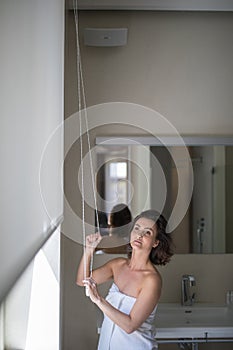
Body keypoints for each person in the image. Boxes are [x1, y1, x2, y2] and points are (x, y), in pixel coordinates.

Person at [76, 209, 173, 350]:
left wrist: (98, 300)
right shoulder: (118, 265)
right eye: (137, 228)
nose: (139, 234)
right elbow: (81, 280)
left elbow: (130, 325)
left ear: (155, 242)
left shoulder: (152, 280)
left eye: (147, 232)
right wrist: (89, 250)